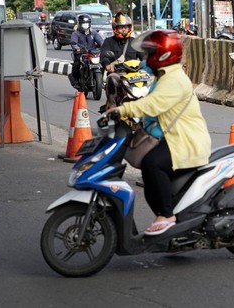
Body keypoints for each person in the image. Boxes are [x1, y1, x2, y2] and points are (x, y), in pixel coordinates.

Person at [107, 30, 211, 236]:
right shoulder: (163, 77)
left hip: (186, 142)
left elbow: (153, 105)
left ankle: (167, 215)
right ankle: (170, 222)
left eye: (148, 54)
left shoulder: (174, 80)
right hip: (171, 138)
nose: (145, 59)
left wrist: (123, 109)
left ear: (162, 55)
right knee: (148, 171)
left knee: (152, 164)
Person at [101, 12, 144, 107]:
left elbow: (144, 57)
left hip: (135, 74)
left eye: (126, 27)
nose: (124, 29)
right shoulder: (109, 42)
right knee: (111, 78)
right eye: (121, 27)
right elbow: (104, 56)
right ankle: (113, 108)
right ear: (115, 28)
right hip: (118, 73)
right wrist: (108, 65)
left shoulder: (135, 42)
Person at [68, 14, 104, 90]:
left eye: (87, 23)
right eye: (84, 24)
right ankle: (76, 80)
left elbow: (100, 41)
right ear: (80, 24)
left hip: (92, 53)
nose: (85, 25)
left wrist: (104, 46)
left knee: (104, 62)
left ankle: (100, 81)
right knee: (77, 63)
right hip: (81, 53)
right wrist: (76, 48)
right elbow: (73, 42)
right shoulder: (76, 33)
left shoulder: (93, 33)